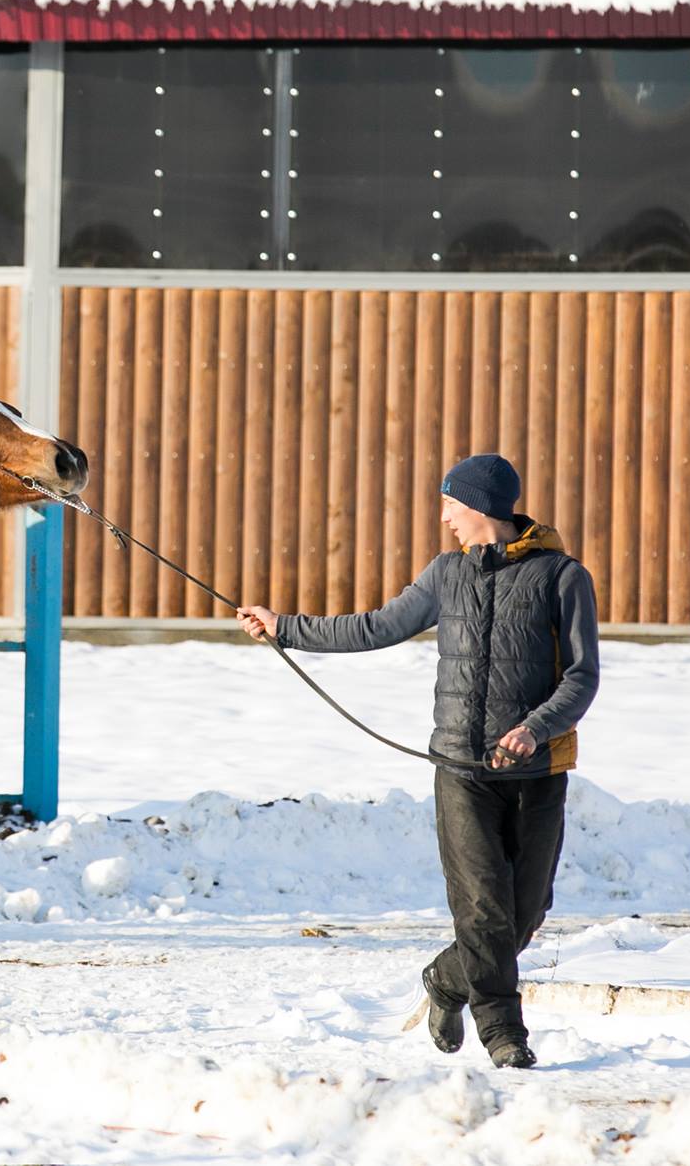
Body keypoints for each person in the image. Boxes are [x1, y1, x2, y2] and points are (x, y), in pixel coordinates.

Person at [236, 453, 599, 1070]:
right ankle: (504, 1034)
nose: (446, 519)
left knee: (524, 915)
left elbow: (583, 678)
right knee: (483, 911)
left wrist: (534, 730)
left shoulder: (563, 578)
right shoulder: (445, 574)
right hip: (460, 769)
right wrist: (284, 627)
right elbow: (375, 626)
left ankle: (445, 981)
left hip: (537, 772)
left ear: (481, 507)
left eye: (451, 506)